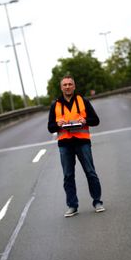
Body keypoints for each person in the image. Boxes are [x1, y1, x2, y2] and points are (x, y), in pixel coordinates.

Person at [48, 75, 105, 217]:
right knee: (68, 176)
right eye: (65, 85)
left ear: (74, 86)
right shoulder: (55, 105)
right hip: (65, 144)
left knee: (90, 172)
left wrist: (85, 121)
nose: (67, 86)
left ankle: (97, 201)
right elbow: (50, 127)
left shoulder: (83, 101)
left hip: (82, 142)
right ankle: (72, 206)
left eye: (70, 84)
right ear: (61, 88)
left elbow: (96, 120)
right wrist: (57, 125)